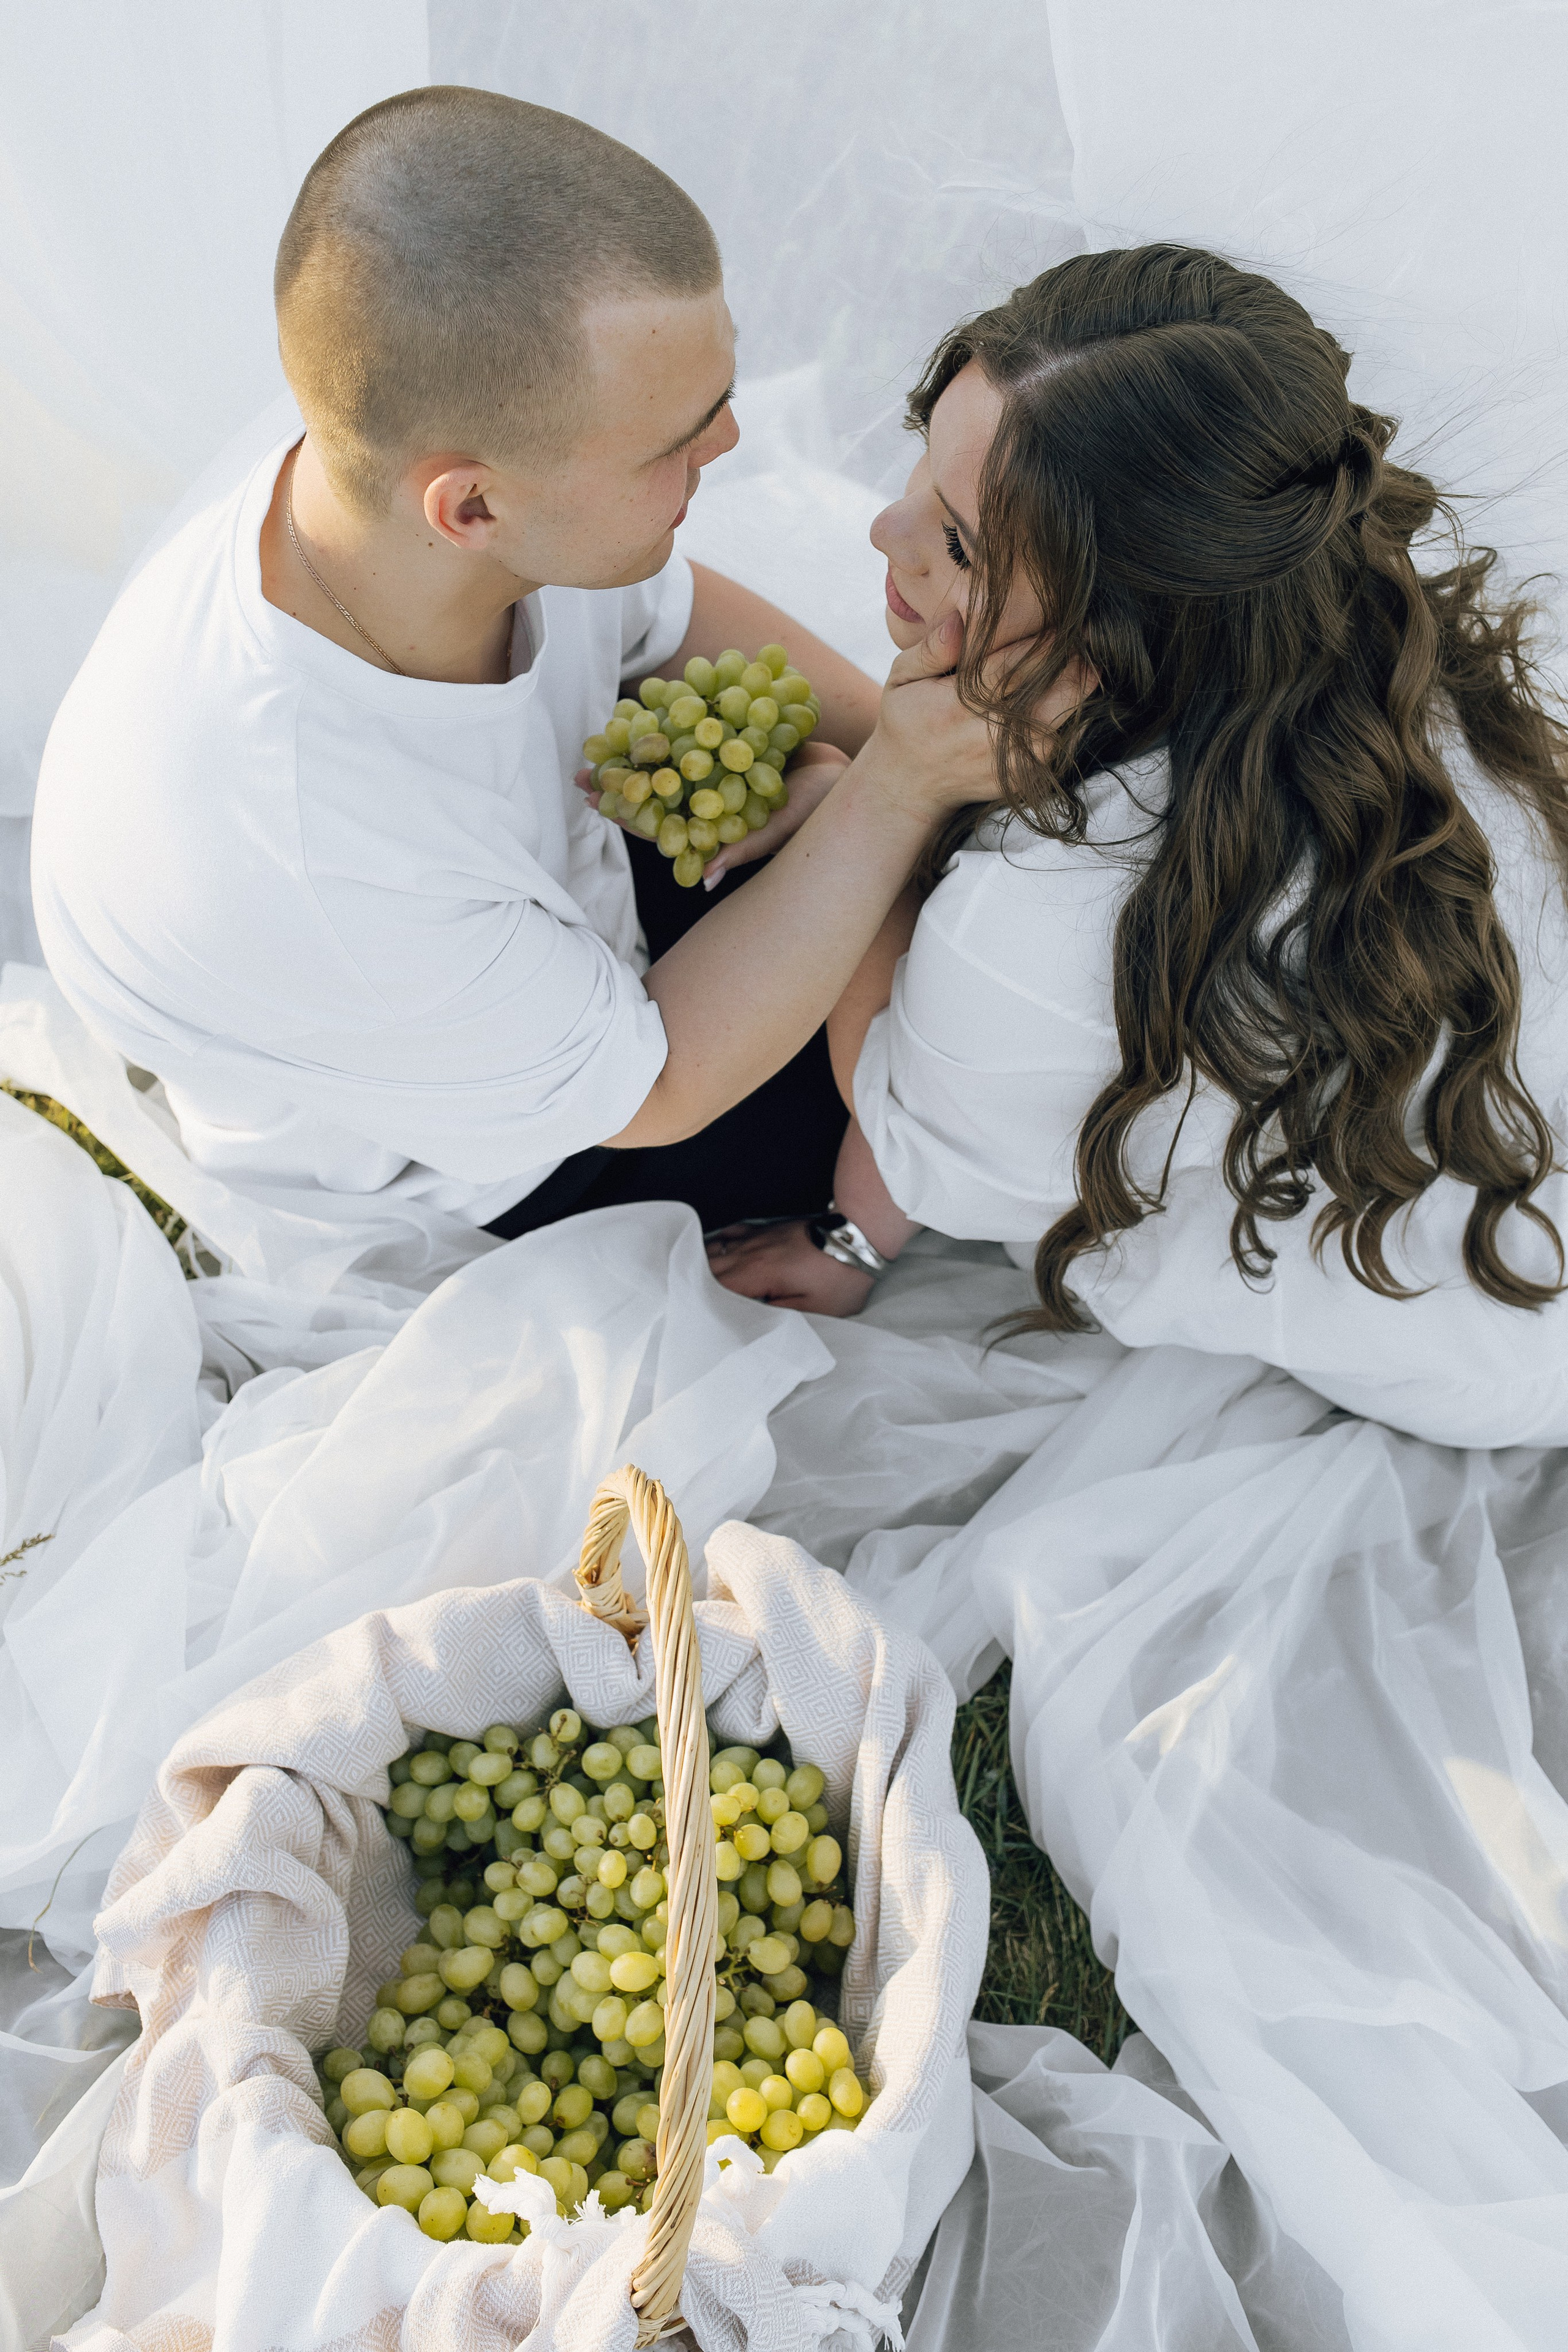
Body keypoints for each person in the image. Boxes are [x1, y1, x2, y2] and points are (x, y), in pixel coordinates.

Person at [29, 88, 1005, 1249]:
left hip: (562, 924)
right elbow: (652, 1089)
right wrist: (898, 788)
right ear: (473, 504)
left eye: (723, 394)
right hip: (520, 1155)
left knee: (914, 850)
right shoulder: (302, 838)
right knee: (980, 1066)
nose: (733, 443)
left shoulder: (395, 471)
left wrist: (956, 787)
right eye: (677, 440)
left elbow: (672, 618)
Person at [709, 246, 1568, 1447]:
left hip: (1474, 1314)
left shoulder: (1052, 930)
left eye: (955, 544)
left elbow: (908, 1121)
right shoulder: (1340, 632)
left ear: (1112, 633)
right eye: (921, 456)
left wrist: (880, 820)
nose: (880, 527)